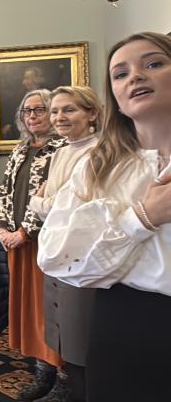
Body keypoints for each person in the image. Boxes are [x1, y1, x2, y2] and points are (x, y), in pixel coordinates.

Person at [38, 33, 171, 402]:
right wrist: (142, 218)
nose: (135, 77)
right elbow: (58, 255)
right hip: (128, 319)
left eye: (154, 63)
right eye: (120, 73)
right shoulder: (100, 168)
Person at [27, 86, 101, 402]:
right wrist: (45, 201)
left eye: (69, 110)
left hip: (85, 256)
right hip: (57, 248)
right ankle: (60, 382)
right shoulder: (60, 152)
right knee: (61, 328)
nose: (59, 117)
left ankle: (74, 390)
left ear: (92, 113)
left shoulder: (99, 150)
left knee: (80, 334)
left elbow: (71, 208)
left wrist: (38, 201)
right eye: (55, 110)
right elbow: (56, 203)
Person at [0, 90, 65, 401]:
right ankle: (41, 370)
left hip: (46, 242)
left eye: (39, 110)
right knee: (28, 307)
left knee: (51, 311)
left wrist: (25, 232)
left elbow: (59, 199)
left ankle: (61, 378)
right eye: (26, 111)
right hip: (16, 242)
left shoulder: (62, 149)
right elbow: (4, 190)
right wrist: (2, 227)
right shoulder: (21, 149)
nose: (32, 116)